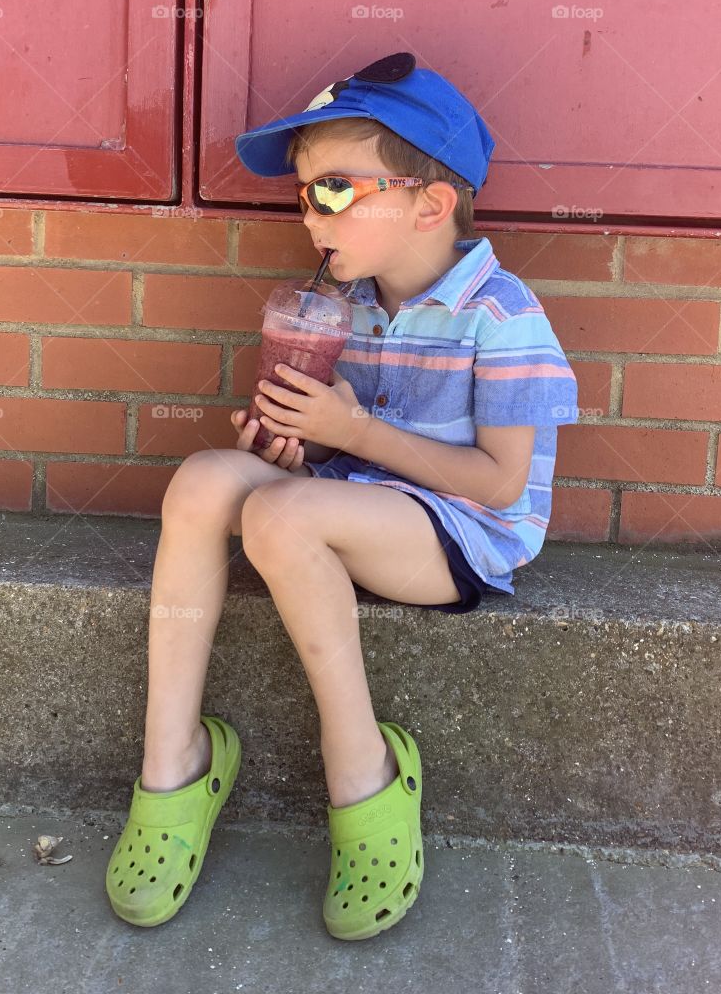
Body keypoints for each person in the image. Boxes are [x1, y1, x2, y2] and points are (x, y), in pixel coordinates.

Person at [104, 51, 579, 941]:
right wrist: (299, 441)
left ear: (430, 203)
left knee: (284, 511)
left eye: (333, 190)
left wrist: (352, 437)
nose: (307, 210)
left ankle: (361, 770)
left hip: (462, 536)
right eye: (302, 193)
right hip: (351, 505)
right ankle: (174, 763)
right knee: (209, 479)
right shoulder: (343, 306)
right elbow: (335, 454)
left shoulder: (503, 316)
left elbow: (500, 482)